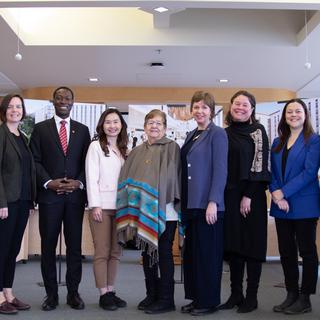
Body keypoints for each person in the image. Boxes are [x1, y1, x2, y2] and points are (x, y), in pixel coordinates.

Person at [30, 87, 91, 311]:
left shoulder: (83, 131)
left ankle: (73, 294)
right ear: (53, 101)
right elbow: (34, 161)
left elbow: (88, 162)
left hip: (75, 198)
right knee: (48, 247)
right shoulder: (40, 129)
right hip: (50, 198)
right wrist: (48, 182)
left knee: (74, 248)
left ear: (73, 102)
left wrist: (79, 182)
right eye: (59, 98)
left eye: (67, 98)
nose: (63, 101)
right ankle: (51, 295)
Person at [116, 109, 180, 314]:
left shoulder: (172, 148)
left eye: (158, 123)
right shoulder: (137, 151)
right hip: (142, 214)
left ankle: (166, 299)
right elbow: (128, 177)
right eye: (150, 122)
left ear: (165, 128)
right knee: (146, 252)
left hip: (165, 212)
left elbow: (172, 177)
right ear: (144, 127)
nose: (154, 126)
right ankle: (151, 294)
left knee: (163, 253)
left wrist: (155, 197)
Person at [220, 90, 270, 313]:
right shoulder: (224, 133)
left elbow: (261, 165)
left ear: (252, 109)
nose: (240, 108)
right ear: (231, 107)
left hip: (253, 195)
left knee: (253, 246)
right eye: (237, 104)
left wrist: (248, 196)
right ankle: (235, 294)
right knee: (234, 247)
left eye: (245, 105)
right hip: (229, 196)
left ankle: (252, 297)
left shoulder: (258, 132)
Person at [270, 99, 320, 315]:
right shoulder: (277, 142)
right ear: (284, 116)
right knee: (286, 252)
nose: (293, 115)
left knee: (307, 251)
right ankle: (291, 293)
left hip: (304, 204)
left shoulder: (314, 141)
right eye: (289, 112)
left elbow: (309, 173)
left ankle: (305, 298)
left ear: (305, 115)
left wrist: (284, 192)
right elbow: (270, 171)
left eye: (297, 111)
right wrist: (276, 193)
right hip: (281, 205)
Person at [180, 91, 228, 316]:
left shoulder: (217, 134)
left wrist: (213, 201)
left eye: (204, 107)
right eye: (196, 107)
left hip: (207, 205)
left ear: (211, 110)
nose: (199, 111)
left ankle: (209, 302)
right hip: (191, 205)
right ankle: (196, 297)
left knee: (208, 255)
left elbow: (220, 170)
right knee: (192, 256)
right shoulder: (191, 134)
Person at [85, 109, 128, 311]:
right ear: (102, 125)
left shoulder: (124, 148)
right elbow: (91, 177)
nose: (112, 125)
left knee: (115, 252)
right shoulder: (95, 146)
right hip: (101, 207)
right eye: (108, 122)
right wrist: (95, 205)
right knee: (102, 252)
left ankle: (111, 290)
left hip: (120, 208)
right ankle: (103, 293)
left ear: (121, 125)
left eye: (116, 122)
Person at [0, 94, 36, 315]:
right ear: (4, 110)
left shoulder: (22, 136)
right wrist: (0, 201)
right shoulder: (1, 134)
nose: (15, 110)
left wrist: (30, 199)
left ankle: (8, 293)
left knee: (12, 249)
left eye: (19, 106)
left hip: (22, 201)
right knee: (1, 249)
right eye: (11, 106)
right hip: (6, 203)